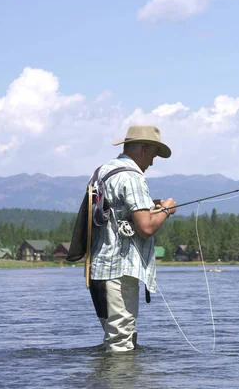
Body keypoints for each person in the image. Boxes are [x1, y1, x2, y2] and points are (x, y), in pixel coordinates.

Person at [88, 125, 176, 352]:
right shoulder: (132, 177)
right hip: (120, 271)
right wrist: (166, 210)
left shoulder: (102, 171)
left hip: (98, 270)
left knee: (116, 334)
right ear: (144, 149)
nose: (153, 162)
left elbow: (115, 214)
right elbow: (146, 227)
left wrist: (149, 205)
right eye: (154, 155)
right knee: (121, 341)